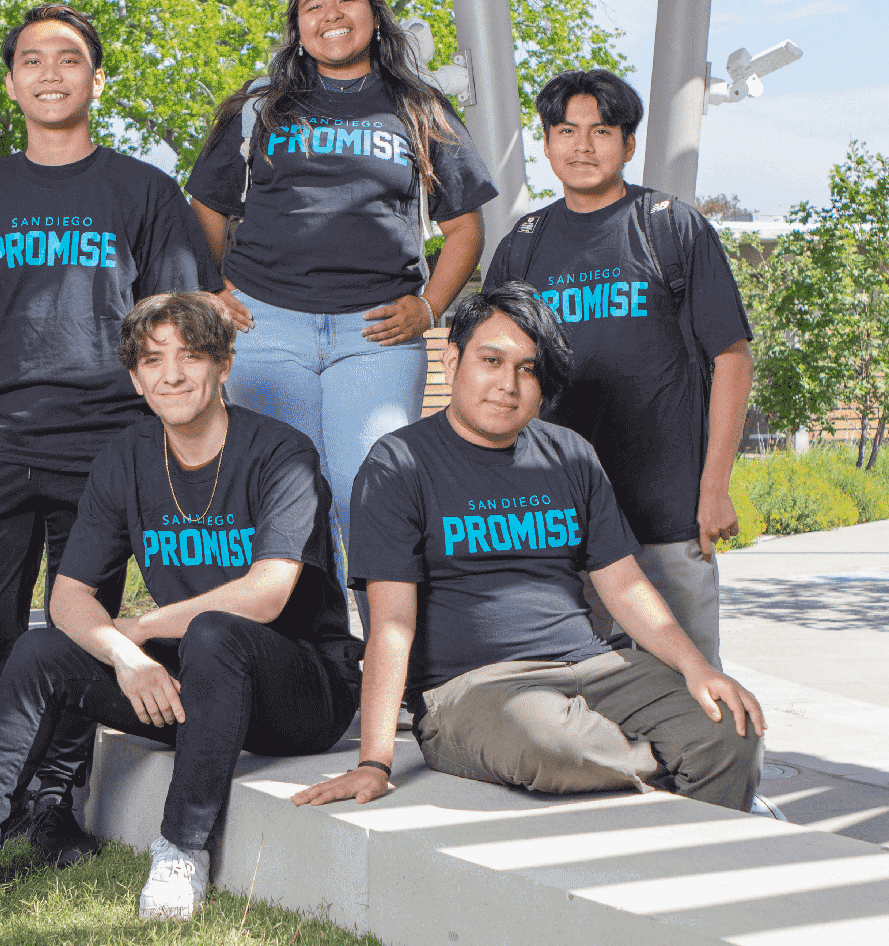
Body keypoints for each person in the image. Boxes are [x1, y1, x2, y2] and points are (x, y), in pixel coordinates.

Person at [0, 292, 362, 920]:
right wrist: (125, 656)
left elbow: (269, 591)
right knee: (39, 651)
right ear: (136, 378)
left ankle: (180, 848)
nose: (172, 374)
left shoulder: (280, 452)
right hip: (197, 680)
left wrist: (140, 627)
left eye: (191, 357)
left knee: (216, 633)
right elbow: (69, 596)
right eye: (152, 361)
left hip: (303, 690)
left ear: (222, 365)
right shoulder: (127, 457)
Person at [0, 3, 220, 865]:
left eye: (68, 59)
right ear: (12, 80)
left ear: (98, 80)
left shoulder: (143, 191)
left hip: (107, 444)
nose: (49, 72)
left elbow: (177, 324)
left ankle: (51, 804)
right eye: (31, 59)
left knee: (75, 631)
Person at [291, 284, 765, 815]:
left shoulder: (571, 455)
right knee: (558, 746)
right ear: (452, 361)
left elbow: (626, 585)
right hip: (475, 691)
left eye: (528, 369)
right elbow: (392, 624)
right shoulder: (398, 464)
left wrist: (698, 669)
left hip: (594, 667)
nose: (507, 385)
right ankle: (676, 780)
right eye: (490, 360)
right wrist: (374, 761)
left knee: (730, 730)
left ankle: (695, 855)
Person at [185, 0, 498, 559]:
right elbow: (205, 206)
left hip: (375, 335)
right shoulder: (261, 106)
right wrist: (216, 288)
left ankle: (391, 645)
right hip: (265, 327)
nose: (332, 14)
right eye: (313, 5)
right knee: (287, 502)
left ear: (375, 17)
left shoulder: (420, 107)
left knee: (373, 493)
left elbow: (464, 228)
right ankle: (316, 652)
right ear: (297, 29)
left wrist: (431, 309)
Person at [483, 71, 753, 668]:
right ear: (547, 143)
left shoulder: (672, 228)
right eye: (566, 131)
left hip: (666, 512)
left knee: (688, 683)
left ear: (628, 145)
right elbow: (490, 377)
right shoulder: (522, 246)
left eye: (601, 131)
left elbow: (732, 360)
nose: (582, 147)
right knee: (580, 691)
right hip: (558, 519)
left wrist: (714, 488)